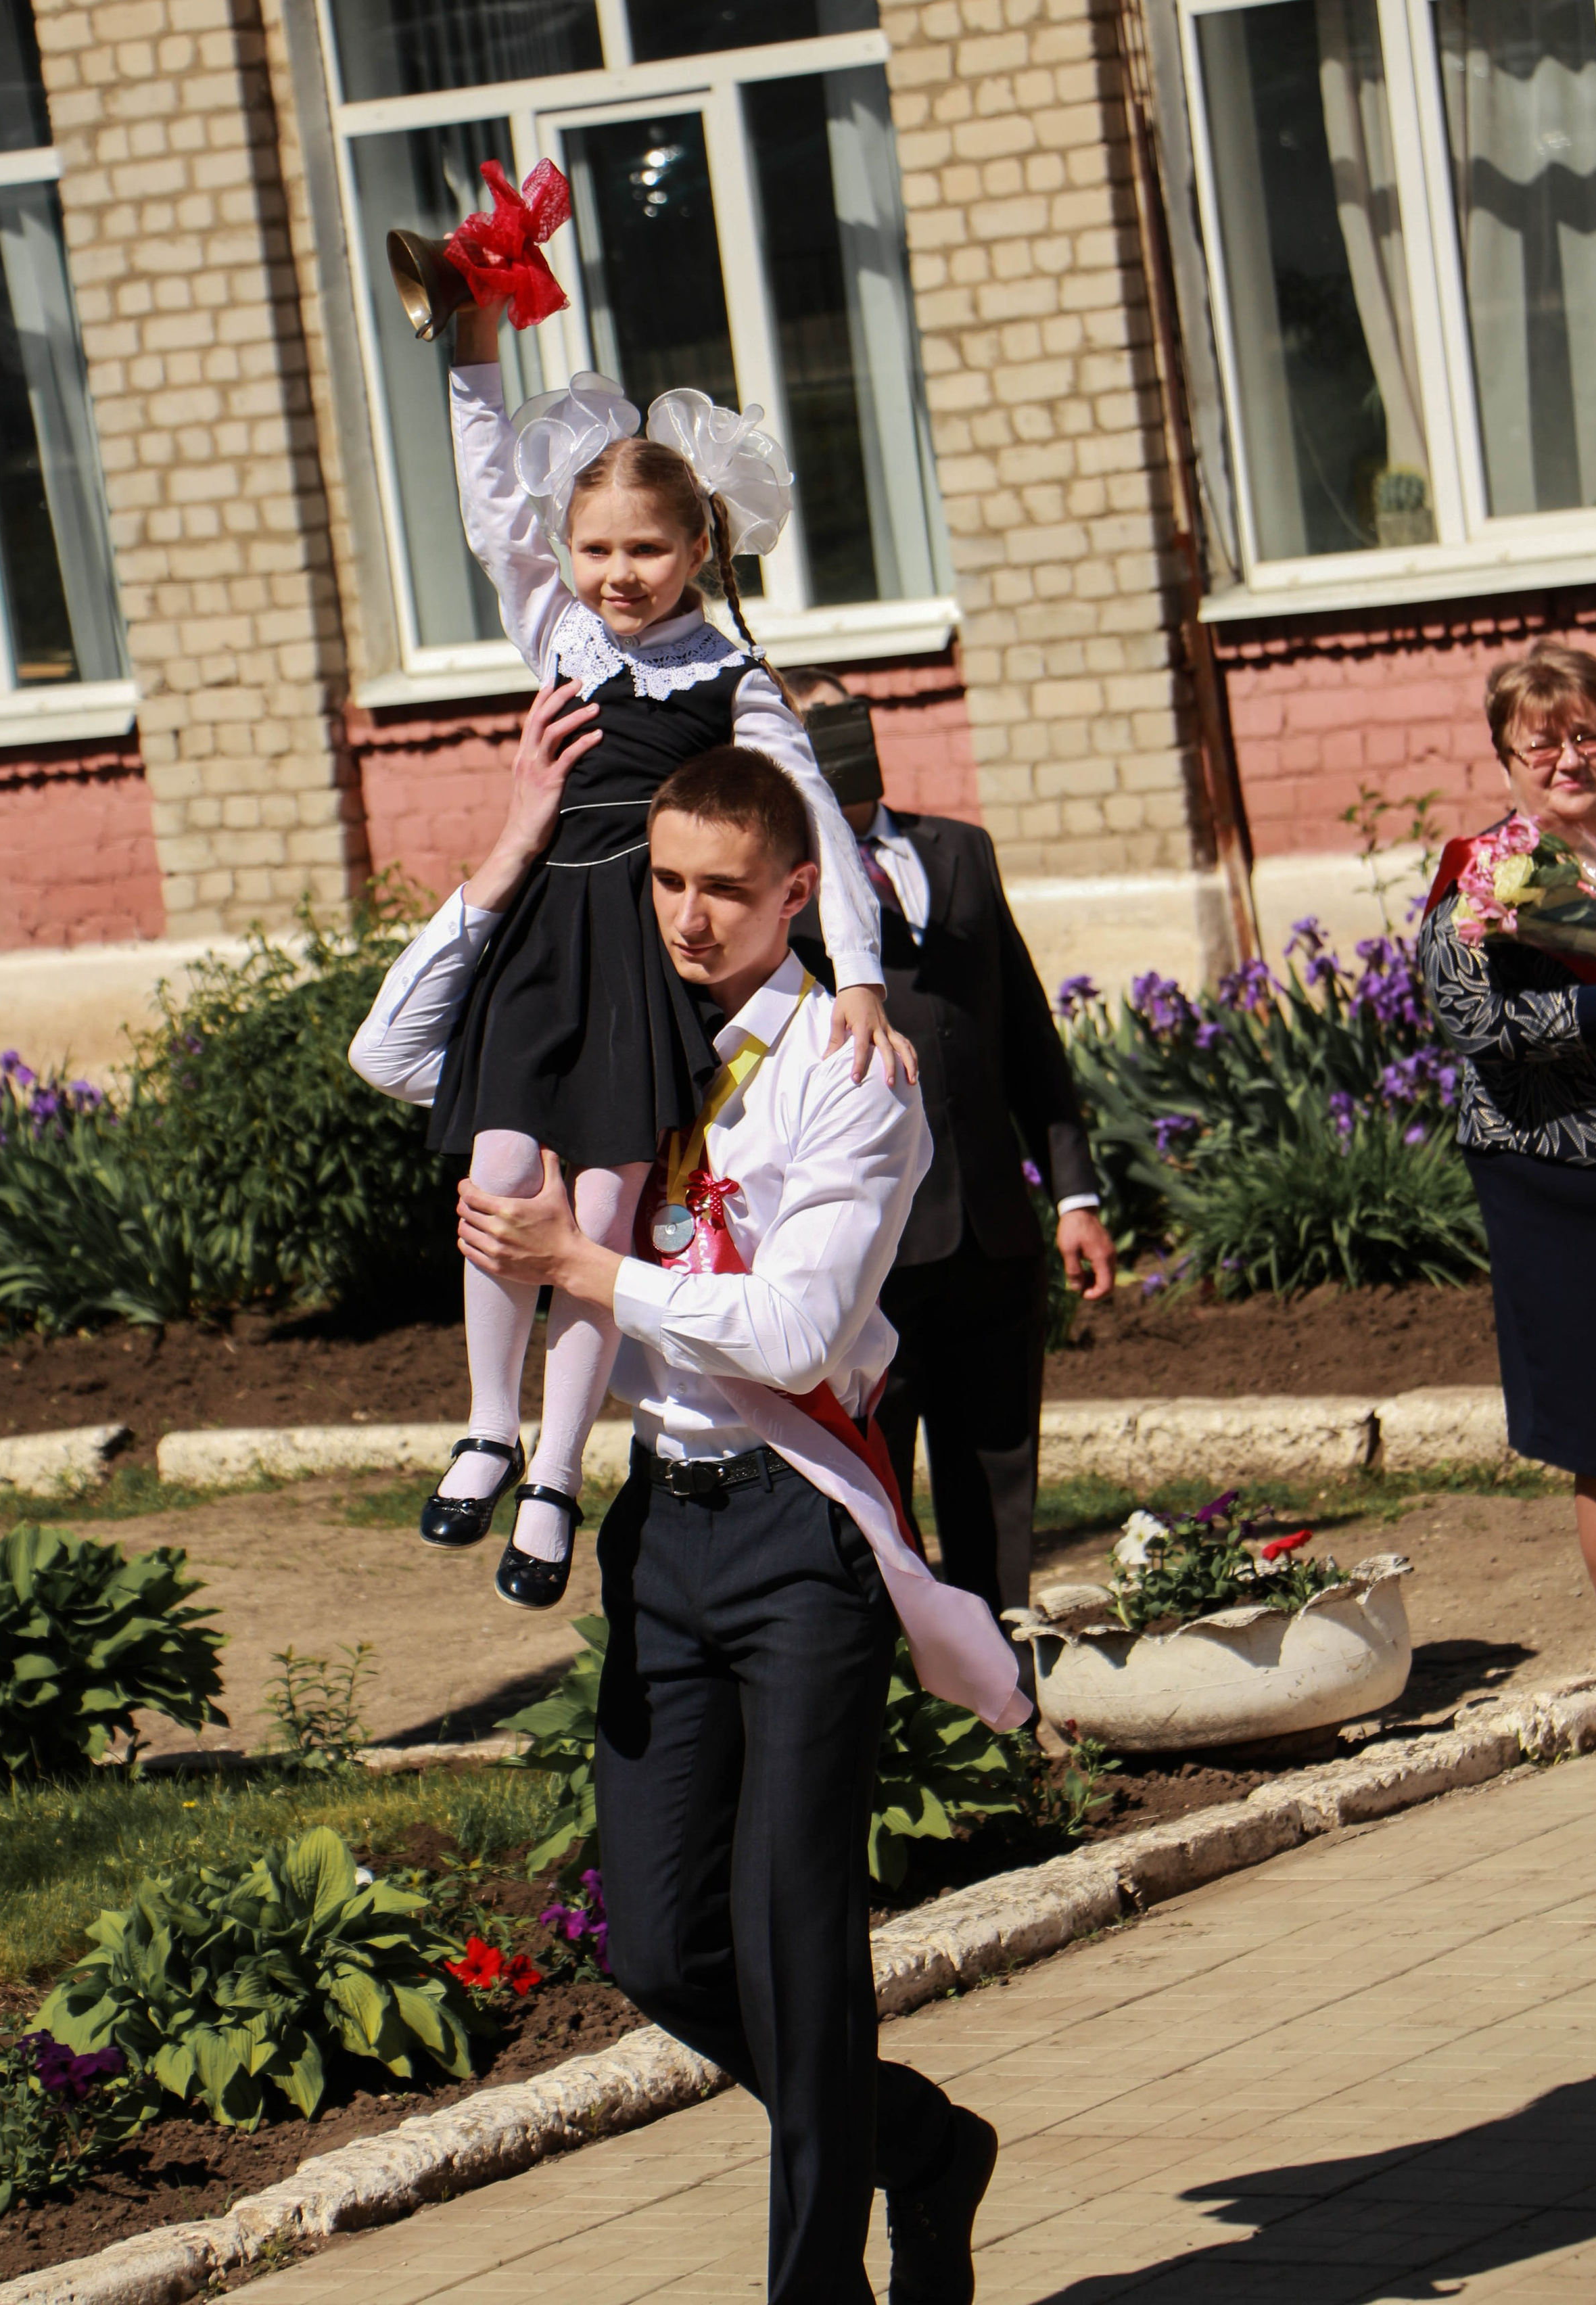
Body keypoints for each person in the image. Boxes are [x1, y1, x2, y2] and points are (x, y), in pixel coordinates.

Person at [455, 740, 1027, 2305]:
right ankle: (919, 2146)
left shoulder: (853, 1070)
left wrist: (584, 1270)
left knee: (795, 1943)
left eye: (723, 890)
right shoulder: (622, 1044)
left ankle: (813, 2290)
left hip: (802, 1529)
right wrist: (512, 850)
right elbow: (401, 1053)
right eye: (664, 883)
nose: (688, 920)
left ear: (797, 893)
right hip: (664, 1531)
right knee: (658, 1948)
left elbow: (788, 1338)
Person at [360, 295, 910, 1609]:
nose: (618, 574)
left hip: (634, 961)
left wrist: (863, 975)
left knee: (597, 1215)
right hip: (543, 941)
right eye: (596, 548)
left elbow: (816, 833)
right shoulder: (552, 630)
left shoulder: (733, 677)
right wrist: (474, 355)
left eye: (647, 551)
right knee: (498, 1180)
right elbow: (491, 504)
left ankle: (556, 1474)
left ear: (697, 543)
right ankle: (489, 1426)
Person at [789, 674, 1114, 1615]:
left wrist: (1076, 1195)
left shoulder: (959, 850)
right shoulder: (787, 883)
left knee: (998, 1472)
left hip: (990, 1235)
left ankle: (1003, 1673)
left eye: (844, 724)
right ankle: (916, 1681)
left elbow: (1026, 1034)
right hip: (868, 1249)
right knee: (875, 1478)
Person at [1421, 643, 1596, 1616]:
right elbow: (1478, 1028)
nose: (1570, 758)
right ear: (1508, 761)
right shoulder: (1490, 876)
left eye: (1588, 734)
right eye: (1544, 743)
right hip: (1554, 1185)